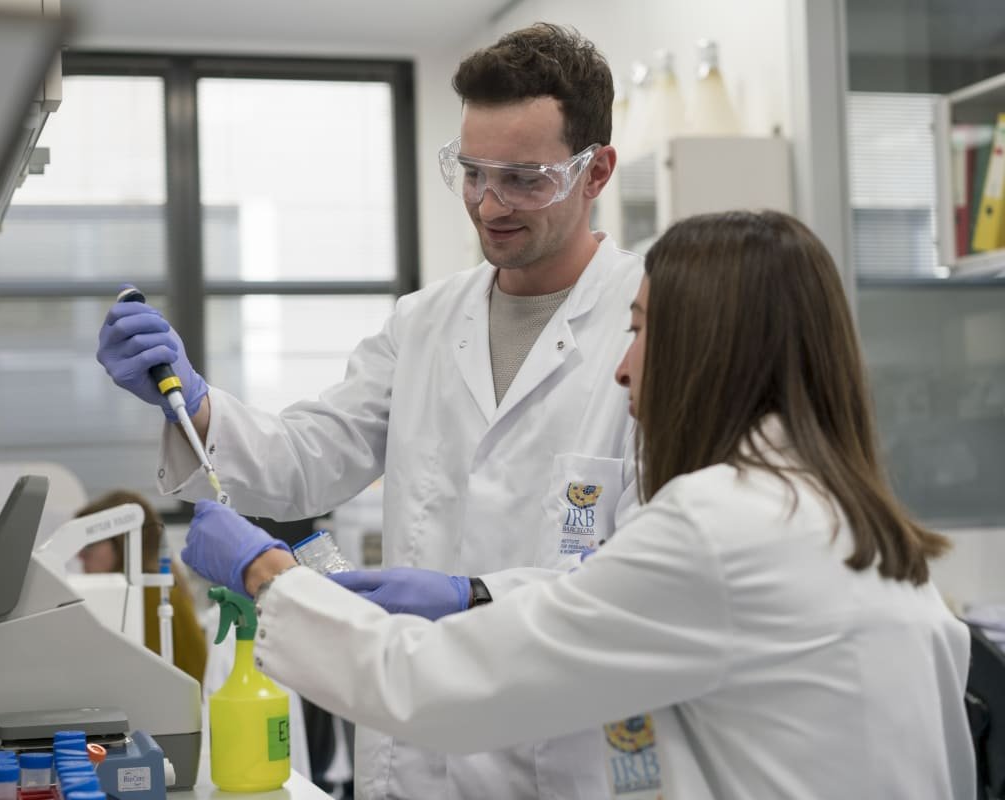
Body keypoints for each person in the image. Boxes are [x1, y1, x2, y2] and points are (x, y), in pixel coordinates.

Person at [179, 210, 977, 800]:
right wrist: (475, 592)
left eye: (640, 333)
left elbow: (435, 686)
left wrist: (269, 574)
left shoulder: (719, 525)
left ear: (710, 349)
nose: (624, 369)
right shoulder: (845, 519)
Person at [97, 23, 661, 798]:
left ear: (595, 172)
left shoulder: (653, 328)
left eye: (525, 179)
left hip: (558, 761)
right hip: (415, 762)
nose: (489, 203)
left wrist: (473, 595)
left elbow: (646, 583)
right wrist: (195, 407)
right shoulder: (424, 324)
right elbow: (307, 460)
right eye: (471, 173)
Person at [74, 490, 208, 685]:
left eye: (89, 545)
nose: (80, 555)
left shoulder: (149, 593)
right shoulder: (158, 584)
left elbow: (137, 682)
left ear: (120, 543)